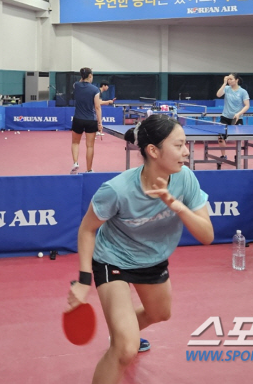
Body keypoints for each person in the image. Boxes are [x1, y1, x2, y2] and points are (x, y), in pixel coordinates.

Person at [67, 115, 213, 384]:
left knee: (160, 314)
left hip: (153, 259)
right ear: (153, 151)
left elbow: (207, 235)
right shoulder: (116, 190)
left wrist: (176, 205)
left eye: (186, 145)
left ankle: (123, 331)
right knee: (125, 350)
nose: (186, 151)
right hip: (114, 260)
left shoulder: (186, 180)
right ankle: (122, 338)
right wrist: (83, 280)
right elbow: (87, 230)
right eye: (179, 145)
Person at [70, 67, 103, 174]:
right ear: (90, 76)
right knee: (90, 146)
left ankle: (75, 162)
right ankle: (89, 169)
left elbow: (80, 82)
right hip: (90, 120)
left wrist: (83, 77)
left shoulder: (76, 86)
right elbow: (97, 107)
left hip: (78, 119)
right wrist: (100, 123)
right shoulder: (95, 90)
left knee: (75, 143)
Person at [215, 73, 250, 167]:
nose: (229, 80)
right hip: (225, 117)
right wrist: (224, 83)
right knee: (220, 138)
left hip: (237, 118)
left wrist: (238, 113)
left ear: (237, 80)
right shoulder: (226, 88)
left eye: (231, 79)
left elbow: (247, 105)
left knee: (238, 139)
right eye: (228, 79)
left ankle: (238, 155)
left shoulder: (243, 92)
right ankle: (223, 155)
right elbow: (218, 95)